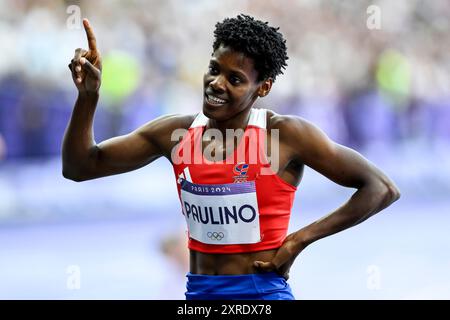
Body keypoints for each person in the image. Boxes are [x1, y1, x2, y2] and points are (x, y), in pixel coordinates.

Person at [63, 15, 400, 300]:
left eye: (235, 79)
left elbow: (381, 188)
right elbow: (79, 167)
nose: (216, 84)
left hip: (262, 294)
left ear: (263, 88)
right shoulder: (173, 134)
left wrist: (299, 240)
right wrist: (88, 98)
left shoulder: (285, 136)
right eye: (214, 69)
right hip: (199, 294)